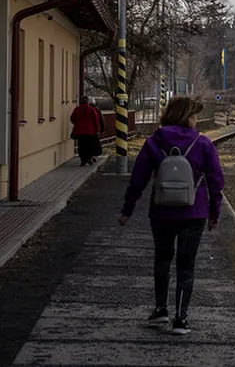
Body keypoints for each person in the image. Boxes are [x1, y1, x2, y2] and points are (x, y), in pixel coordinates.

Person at [118, 96, 224, 336]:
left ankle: (160, 311)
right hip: (193, 213)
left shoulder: (154, 141)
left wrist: (128, 209)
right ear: (187, 117)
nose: (196, 121)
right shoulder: (203, 143)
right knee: (186, 265)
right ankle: (181, 319)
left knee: (162, 260)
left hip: (162, 212)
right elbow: (216, 182)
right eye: (194, 116)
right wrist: (214, 213)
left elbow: (138, 179)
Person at [69, 96, 104, 166]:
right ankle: (89, 158)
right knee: (90, 145)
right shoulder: (91, 109)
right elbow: (96, 120)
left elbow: (72, 118)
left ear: (81, 101)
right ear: (87, 101)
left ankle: (83, 160)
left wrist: (77, 124)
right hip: (90, 131)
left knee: (81, 145)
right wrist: (97, 129)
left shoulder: (77, 109)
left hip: (79, 131)